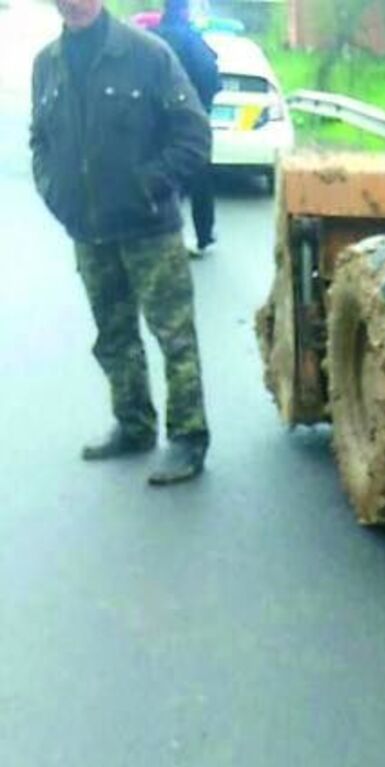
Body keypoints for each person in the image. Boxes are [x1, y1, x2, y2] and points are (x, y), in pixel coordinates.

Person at [31, 0, 213, 485]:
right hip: (89, 232)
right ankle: (133, 424)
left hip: (149, 229)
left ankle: (188, 439)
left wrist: (147, 186)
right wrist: (57, 194)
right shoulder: (46, 64)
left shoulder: (147, 54)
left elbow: (193, 135)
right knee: (113, 336)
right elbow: (40, 141)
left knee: (173, 336)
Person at [153, 0, 220, 256]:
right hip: (191, 122)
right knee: (200, 181)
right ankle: (203, 237)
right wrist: (203, 108)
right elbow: (212, 78)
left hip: (156, 126)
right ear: (185, 10)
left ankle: (160, 234)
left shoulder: (151, 40)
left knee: (162, 179)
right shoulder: (194, 41)